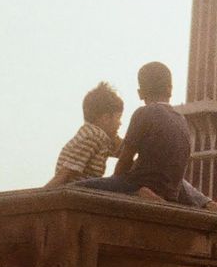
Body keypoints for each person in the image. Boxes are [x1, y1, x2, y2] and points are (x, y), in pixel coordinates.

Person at [74, 62, 190, 203]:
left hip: (138, 184)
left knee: (75, 188)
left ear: (140, 93)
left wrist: (115, 183)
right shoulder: (181, 119)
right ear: (170, 89)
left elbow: (125, 159)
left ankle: (141, 192)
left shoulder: (144, 113)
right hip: (170, 192)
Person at [44, 83, 124, 189]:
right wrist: (41, 196)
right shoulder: (94, 136)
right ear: (106, 118)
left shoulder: (96, 135)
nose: (120, 123)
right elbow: (65, 173)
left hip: (81, 188)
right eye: (118, 118)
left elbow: (124, 152)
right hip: (77, 189)